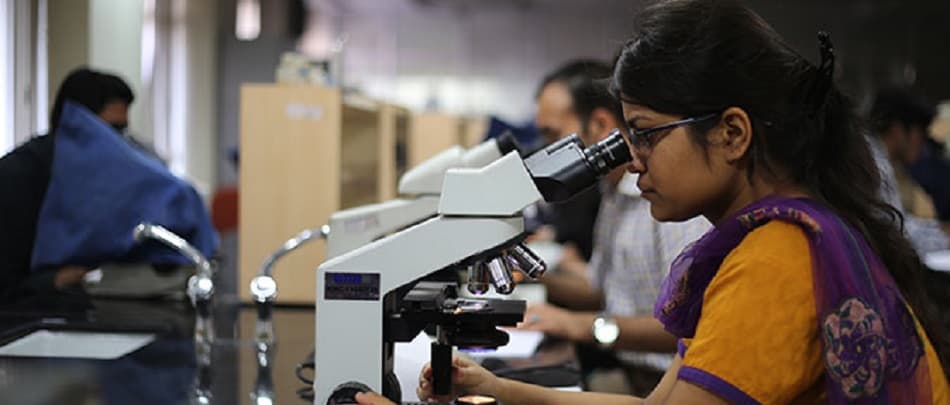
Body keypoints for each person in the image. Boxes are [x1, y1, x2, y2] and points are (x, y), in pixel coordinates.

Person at [356, 1, 950, 404]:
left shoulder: (776, 261)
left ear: (732, 134)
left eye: (644, 133)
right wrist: (497, 387)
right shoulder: (776, 238)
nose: (631, 158)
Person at [521, 60, 709, 395]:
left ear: (600, 125)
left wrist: (583, 326)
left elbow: (687, 326)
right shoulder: (612, 191)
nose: (545, 151)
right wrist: (535, 278)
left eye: (552, 135)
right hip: (627, 369)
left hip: (661, 383)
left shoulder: (671, 200)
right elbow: (602, 289)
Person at [0, 68, 136, 305]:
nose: (118, 144)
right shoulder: (16, 177)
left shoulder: (95, 177)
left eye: (121, 132)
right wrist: (53, 280)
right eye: (111, 130)